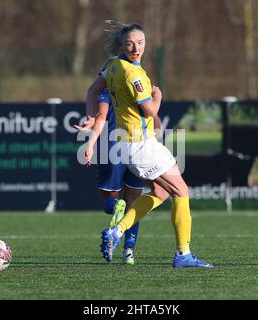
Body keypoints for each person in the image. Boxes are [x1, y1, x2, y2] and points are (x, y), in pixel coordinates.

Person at [82, 20, 214, 268]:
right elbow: (149, 108)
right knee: (182, 192)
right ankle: (183, 255)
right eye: (131, 43)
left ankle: (117, 231)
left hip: (127, 142)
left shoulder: (112, 65)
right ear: (122, 44)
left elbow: (92, 90)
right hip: (139, 144)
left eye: (140, 43)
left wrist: (91, 115)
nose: (136, 48)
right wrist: (158, 97)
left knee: (162, 193)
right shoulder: (134, 73)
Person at [81, 87, 145, 265]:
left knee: (108, 201)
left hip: (112, 148)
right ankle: (129, 251)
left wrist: (91, 144)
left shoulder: (107, 92)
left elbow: (101, 117)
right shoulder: (139, 89)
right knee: (134, 205)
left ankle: (116, 205)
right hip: (139, 148)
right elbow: (152, 113)